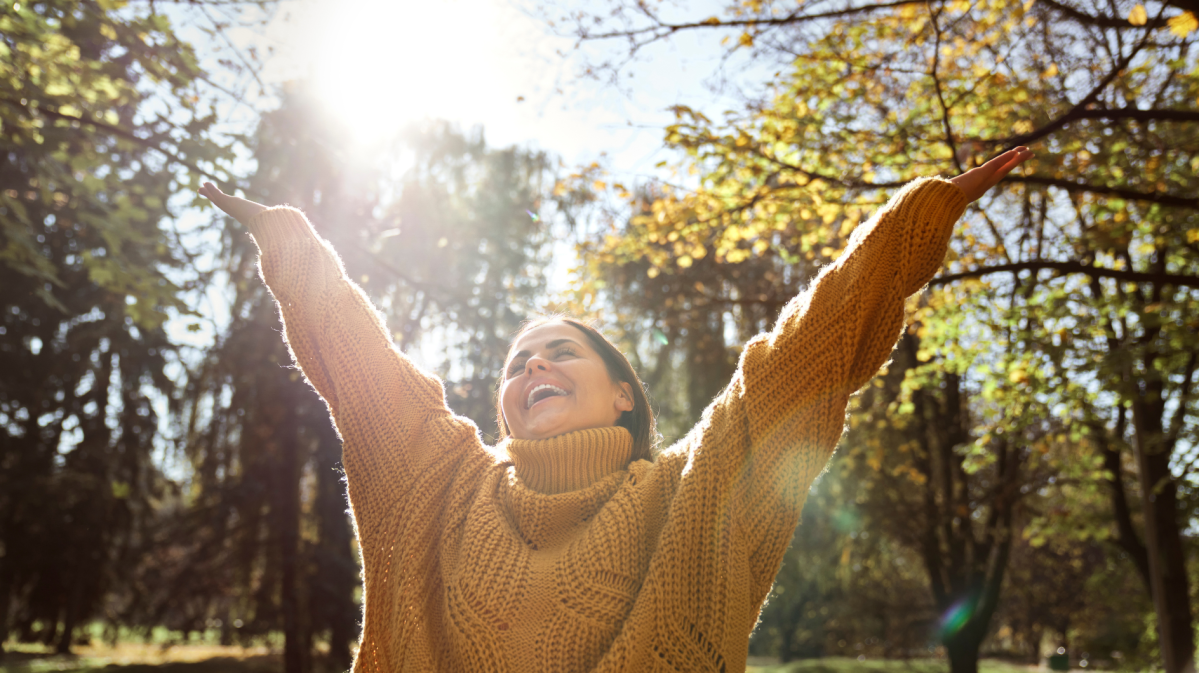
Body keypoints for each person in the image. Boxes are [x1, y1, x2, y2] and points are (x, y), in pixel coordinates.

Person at [199, 146, 1032, 673]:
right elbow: (365, 372)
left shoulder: (692, 493)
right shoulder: (439, 480)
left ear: (622, 394)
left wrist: (913, 223)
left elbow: (796, 365)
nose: (534, 364)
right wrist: (291, 244)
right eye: (517, 361)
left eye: (561, 350)